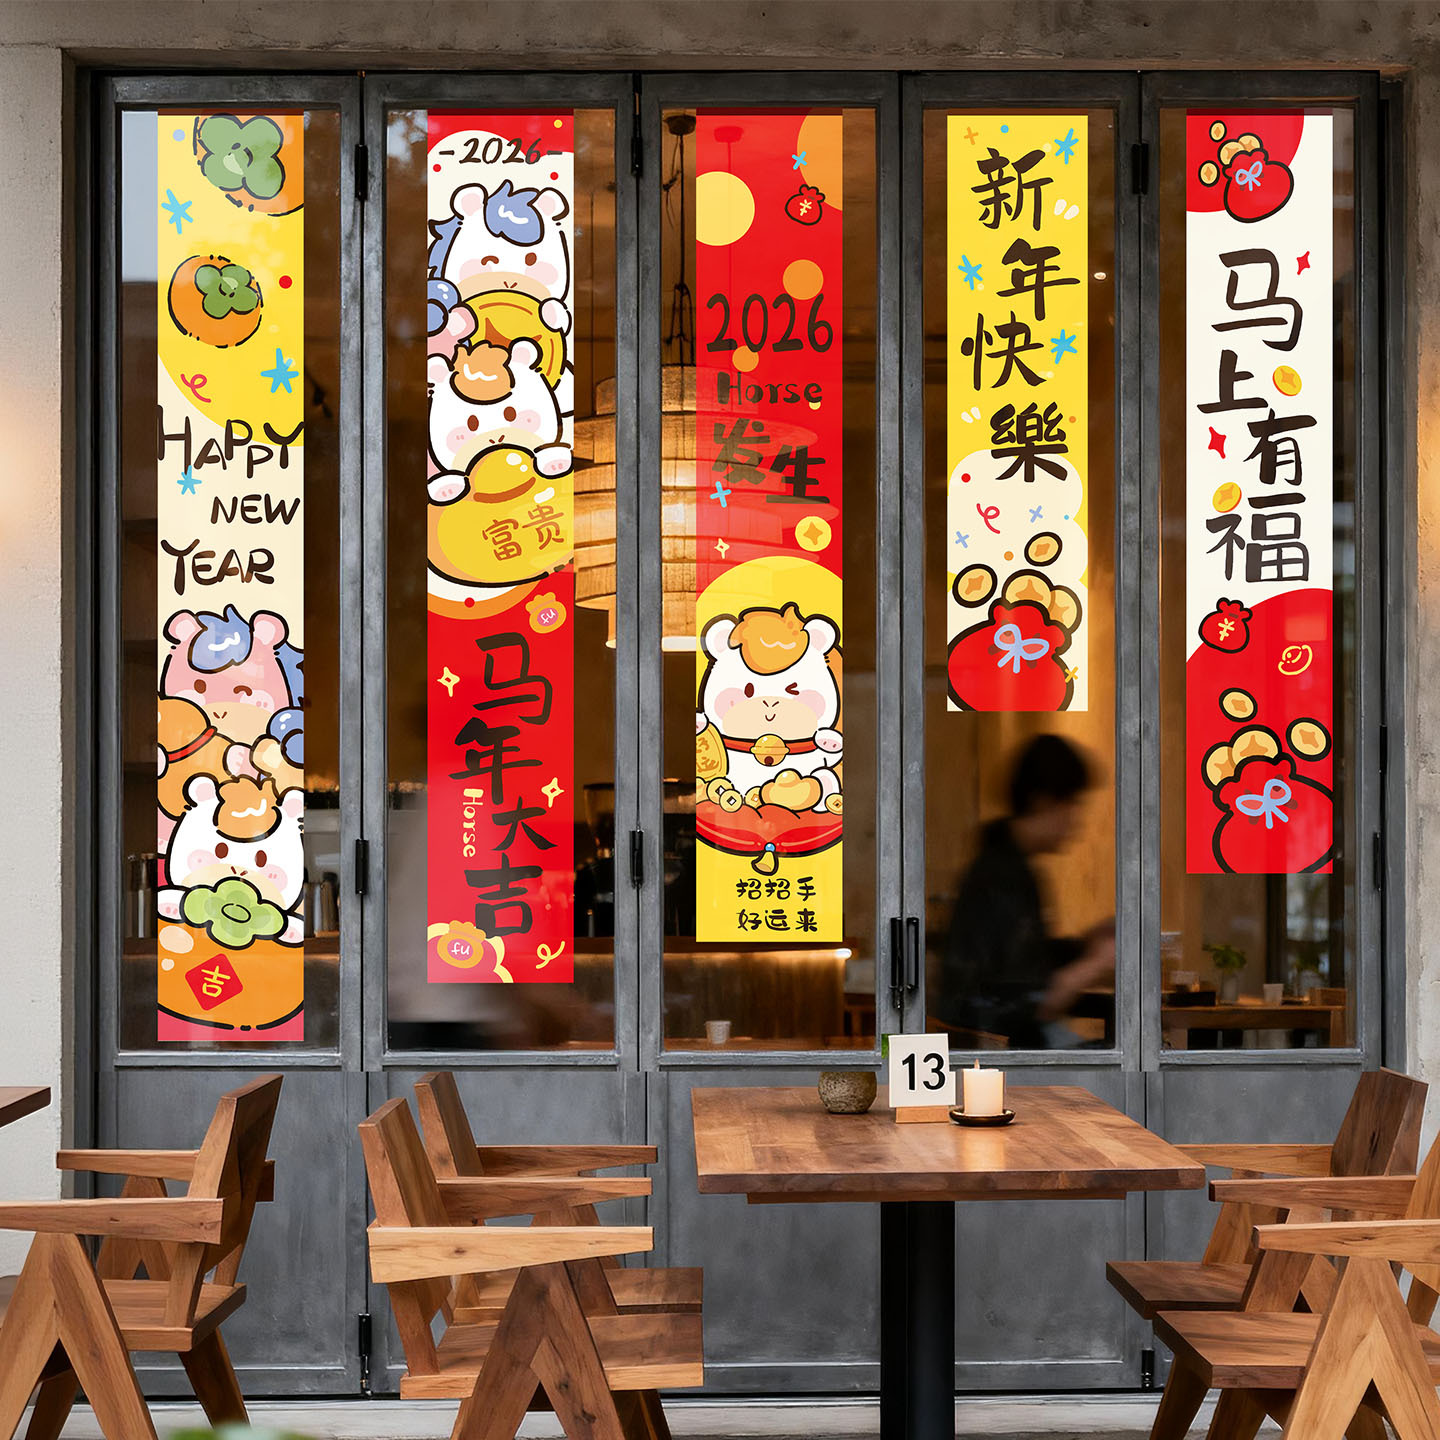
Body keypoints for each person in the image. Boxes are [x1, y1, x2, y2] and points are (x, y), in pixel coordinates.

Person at [935, 734, 1114, 1049]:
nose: (1077, 820)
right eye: (1073, 804)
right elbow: (1027, 1001)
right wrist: (1094, 965)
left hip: (997, 1042)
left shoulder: (1008, 863)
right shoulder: (1000, 876)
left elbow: (1027, 960)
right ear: (1042, 801)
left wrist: (1085, 946)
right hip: (996, 1051)